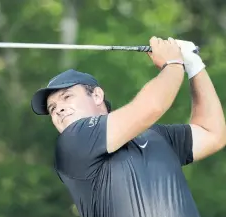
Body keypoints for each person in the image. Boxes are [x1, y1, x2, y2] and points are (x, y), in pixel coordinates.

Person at [31, 36, 226, 217]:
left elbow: (213, 134)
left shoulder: (155, 135)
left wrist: (194, 66)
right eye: (52, 107)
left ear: (97, 95)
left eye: (67, 97)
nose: (59, 109)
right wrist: (174, 63)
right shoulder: (73, 142)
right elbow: (153, 106)